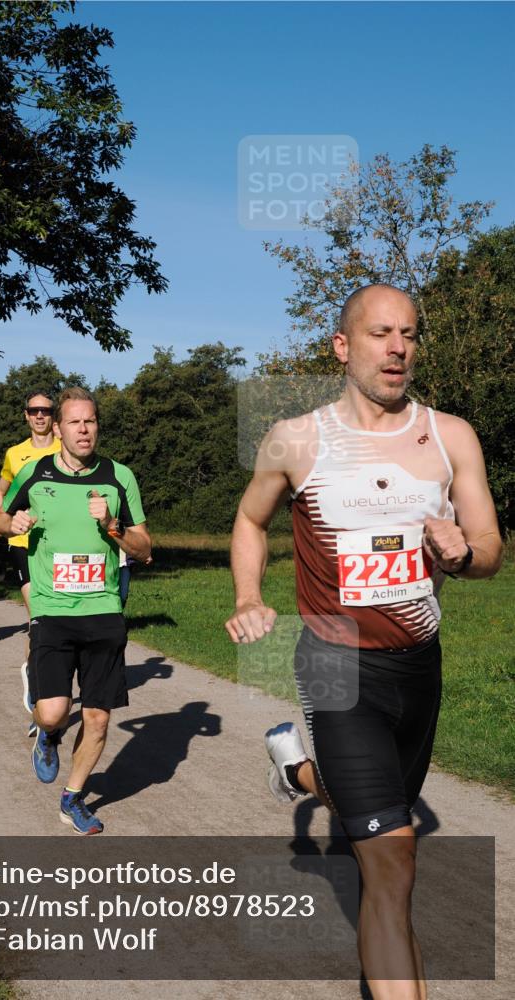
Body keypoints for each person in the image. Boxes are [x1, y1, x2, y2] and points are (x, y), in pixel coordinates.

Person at [225, 284, 502, 1000]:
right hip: (335, 665)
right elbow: (251, 521)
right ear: (343, 347)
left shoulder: (452, 436)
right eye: (381, 333)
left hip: (418, 668)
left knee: (385, 853)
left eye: (409, 333)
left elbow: (491, 548)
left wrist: (462, 552)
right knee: (393, 854)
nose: (399, 347)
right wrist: (249, 597)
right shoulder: (296, 438)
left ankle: (299, 772)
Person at [0, 387, 151, 835]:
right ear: (58, 429)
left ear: (97, 426)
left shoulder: (120, 477)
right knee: (52, 712)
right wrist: (13, 523)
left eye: (91, 421)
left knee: (98, 717)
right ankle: (48, 734)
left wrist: (112, 525)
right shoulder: (34, 471)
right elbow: (0, 518)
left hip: (102, 608)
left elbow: (143, 548)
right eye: (75, 423)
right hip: (52, 606)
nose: (84, 430)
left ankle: (72, 798)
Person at [0, 391, 60, 730]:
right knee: (39, 618)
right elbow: (2, 490)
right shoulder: (14, 453)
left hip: (58, 543)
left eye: (46, 411)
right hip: (23, 541)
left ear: (53, 415)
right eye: (34, 411)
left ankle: (36, 674)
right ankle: (39, 694)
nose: (39, 416)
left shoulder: (65, 449)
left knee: (55, 618)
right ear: (26, 416)